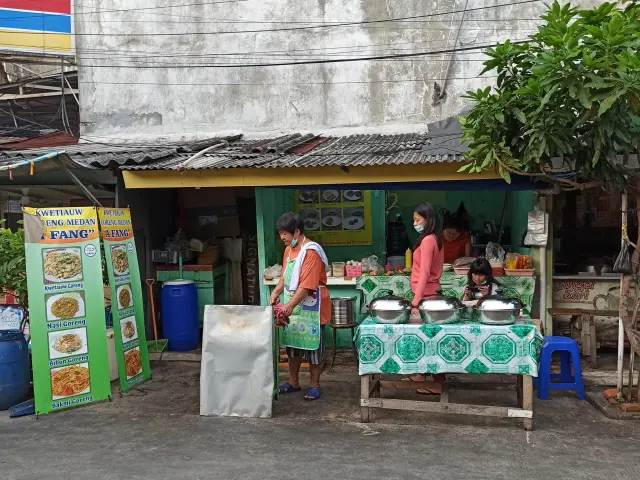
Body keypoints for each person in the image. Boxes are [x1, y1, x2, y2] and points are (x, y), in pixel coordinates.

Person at [269, 212, 331, 401]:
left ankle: (314, 385)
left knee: (313, 348)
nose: (282, 238)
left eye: (285, 234)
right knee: (292, 346)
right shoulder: (289, 250)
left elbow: (306, 286)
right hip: (292, 304)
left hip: (311, 306)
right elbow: (284, 277)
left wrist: (289, 305)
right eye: (280, 233)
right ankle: (293, 382)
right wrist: (276, 292)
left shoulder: (311, 251)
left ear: (296, 232)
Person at [409, 204, 446, 392]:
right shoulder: (435, 239)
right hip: (430, 294)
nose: (414, 223)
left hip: (427, 297)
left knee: (429, 341)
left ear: (427, 219)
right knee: (428, 338)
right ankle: (423, 374)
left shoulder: (428, 241)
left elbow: (424, 272)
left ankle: (437, 384)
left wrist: (416, 299)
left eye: (417, 220)